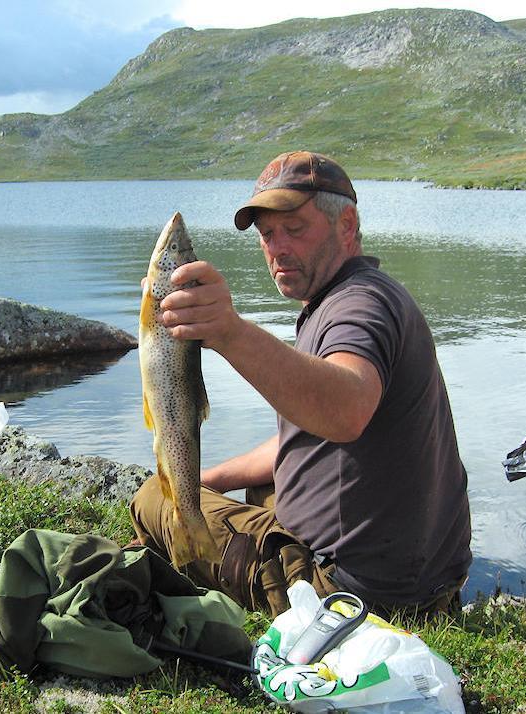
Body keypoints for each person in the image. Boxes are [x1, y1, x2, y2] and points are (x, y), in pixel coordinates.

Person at [130, 151, 472, 620]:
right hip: (427, 581)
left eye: (295, 229)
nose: (277, 248)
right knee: (256, 487)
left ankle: (181, 562)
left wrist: (230, 332)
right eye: (268, 235)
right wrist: (203, 479)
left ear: (346, 225)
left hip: (353, 596)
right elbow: (304, 435)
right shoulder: (354, 294)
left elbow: (345, 411)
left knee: (151, 499)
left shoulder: (358, 308)